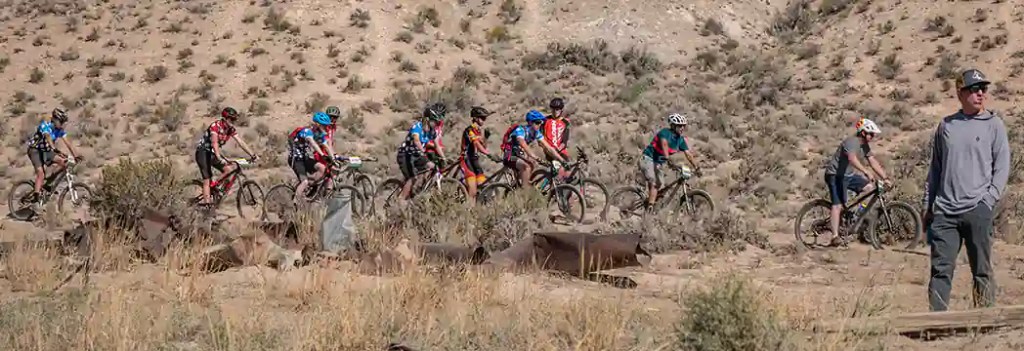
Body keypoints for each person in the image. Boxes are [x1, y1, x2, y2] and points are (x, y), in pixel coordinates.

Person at [924, 68, 1010, 311]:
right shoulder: (946, 126)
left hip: (977, 210)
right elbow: (935, 169)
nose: (981, 93)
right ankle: (936, 325)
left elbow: (1002, 168)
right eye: (974, 89)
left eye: (983, 89)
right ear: (960, 93)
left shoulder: (994, 125)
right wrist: (928, 206)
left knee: (981, 270)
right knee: (941, 270)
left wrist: (988, 201)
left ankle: (984, 322)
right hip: (945, 213)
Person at [821, 117, 891, 246]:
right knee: (837, 205)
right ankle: (835, 236)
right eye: (871, 134)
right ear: (863, 133)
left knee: (869, 187)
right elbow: (852, 158)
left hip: (848, 175)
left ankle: (855, 214)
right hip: (835, 175)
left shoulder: (864, 145)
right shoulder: (851, 142)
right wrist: (865, 171)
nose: (873, 136)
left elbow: (872, 161)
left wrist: (885, 177)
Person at [638, 113, 703, 210]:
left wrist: (696, 167)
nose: (682, 128)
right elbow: (664, 144)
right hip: (647, 158)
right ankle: (650, 209)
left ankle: (653, 203)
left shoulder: (680, 140)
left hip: (657, 162)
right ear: (673, 126)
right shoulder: (665, 133)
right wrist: (667, 158)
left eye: (683, 126)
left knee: (661, 185)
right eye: (680, 126)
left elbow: (688, 154)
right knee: (654, 182)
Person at [194, 107, 258, 206]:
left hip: (213, 153)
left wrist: (252, 154)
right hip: (203, 153)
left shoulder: (230, 129)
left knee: (229, 170)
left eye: (234, 120)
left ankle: (217, 191)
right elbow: (214, 143)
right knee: (207, 179)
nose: (233, 122)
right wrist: (219, 157)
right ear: (225, 118)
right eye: (231, 119)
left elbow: (240, 142)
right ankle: (207, 205)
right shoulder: (215, 126)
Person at [25, 108, 81, 200]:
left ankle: (47, 184)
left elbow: (68, 143)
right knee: (40, 173)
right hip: (35, 150)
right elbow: (48, 137)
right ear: (55, 120)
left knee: (64, 163)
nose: (63, 124)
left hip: (47, 151)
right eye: (61, 122)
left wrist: (76, 155)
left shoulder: (59, 130)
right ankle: (36, 198)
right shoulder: (45, 125)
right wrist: (54, 148)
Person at [499, 109, 565, 187]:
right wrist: (535, 157)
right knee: (526, 166)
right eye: (537, 123)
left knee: (533, 164)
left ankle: (522, 183)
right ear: (530, 122)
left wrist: (562, 160)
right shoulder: (520, 130)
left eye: (541, 123)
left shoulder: (536, 133)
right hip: (510, 155)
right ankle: (525, 192)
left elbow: (549, 148)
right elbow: (523, 144)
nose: (540, 125)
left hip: (519, 155)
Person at [396, 103, 447, 200]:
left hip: (417, 155)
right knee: (412, 177)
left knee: (431, 167)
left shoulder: (432, 131)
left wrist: (443, 158)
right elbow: (416, 140)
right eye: (435, 121)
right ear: (428, 120)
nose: (436, 124)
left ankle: (418, 191)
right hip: (405, 155)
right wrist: (422, 149)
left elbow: (437, 145)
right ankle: (400, 200)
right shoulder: (417, 127)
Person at [288, 112, 338, 204]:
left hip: (305, 158)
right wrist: (322, 155)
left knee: (322, 168)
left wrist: (333, 159)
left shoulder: (319, 134)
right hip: (296, 159)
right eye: (324, 125)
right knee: (305, 182)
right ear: (317, 124)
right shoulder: (307, 131)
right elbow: (313, 143)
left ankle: (309, 187)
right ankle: (294, 203)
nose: (325, 127)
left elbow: (326, 146)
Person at [459, 106, 501, 202]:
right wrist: (489, 155)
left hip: (475, 160)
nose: (484, 120)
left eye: (485, 118)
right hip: (466, 160)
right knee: (472, 190)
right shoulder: (469, 130)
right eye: (482, 118)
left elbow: (483, 146)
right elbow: (476, 144)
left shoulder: (478, 131)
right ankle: (468, 210)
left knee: (483, 185)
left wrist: (486, 137)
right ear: (475, 118)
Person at [542, 98, 571, 178]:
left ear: (561, 110)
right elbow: (540, 136)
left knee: (567, 172)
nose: (555, 111)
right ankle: (553, 188)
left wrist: (559, 148)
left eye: (557, 109)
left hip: (561, 151)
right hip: (549, 151)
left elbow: (565, 140)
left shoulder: (565, 122)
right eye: (553, 109)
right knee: (557, 175)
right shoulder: (545, 120)